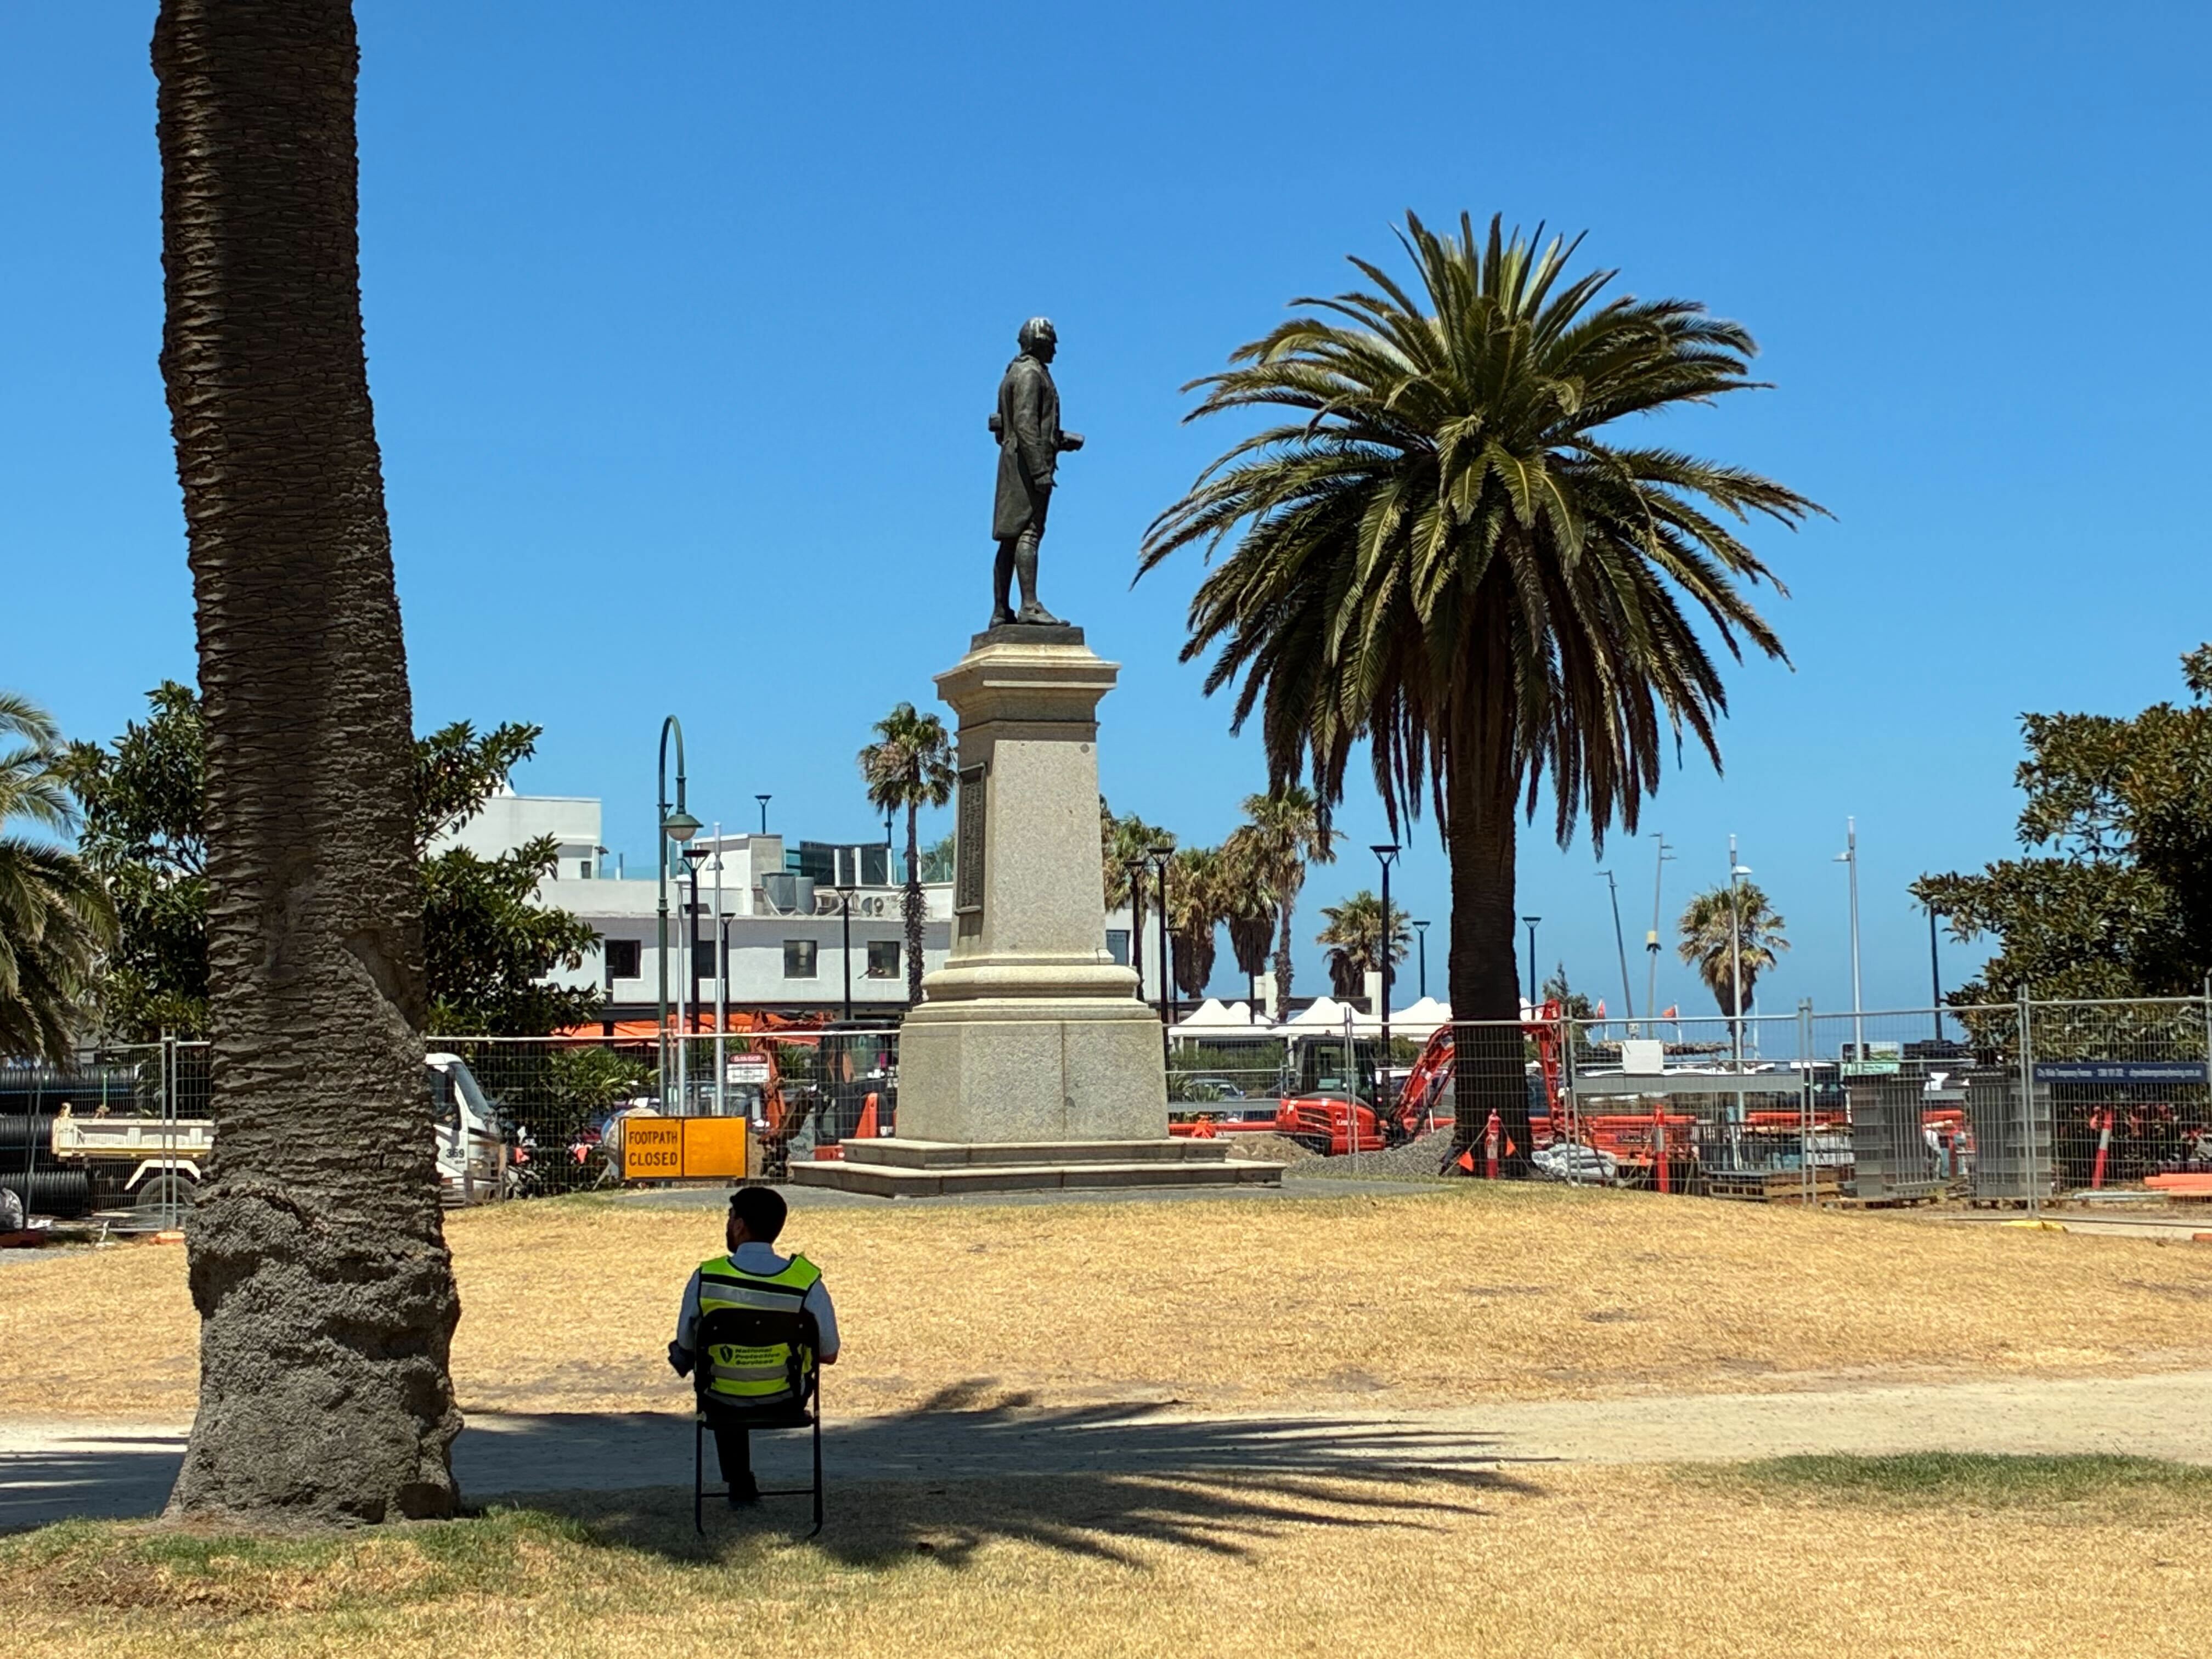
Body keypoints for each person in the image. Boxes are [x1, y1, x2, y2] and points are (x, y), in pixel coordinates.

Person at [668, 1186, 839, 1505]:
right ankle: (743, 1483)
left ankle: (739, 1482)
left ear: (740, 1225)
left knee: (713, 1374)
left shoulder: (708, 1277)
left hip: (721, 1399)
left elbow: (686, 1342)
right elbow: (828, 1353)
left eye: (729, 1216)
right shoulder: (805, 1280)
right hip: (786, 1398)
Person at [988, 315, 1084, 627]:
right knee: (1027, 533)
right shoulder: (1031, 374)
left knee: (1010, 538)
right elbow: (1027, 426)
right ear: (1040, 342)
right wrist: (1041, 471)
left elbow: (1006, 424)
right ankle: (1029, 606)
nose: (1055, 350)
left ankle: (1002, 611)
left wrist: (1059, 439)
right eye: (1051, 343)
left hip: (1013, 461)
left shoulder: (1014, 372)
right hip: (1026, 466)